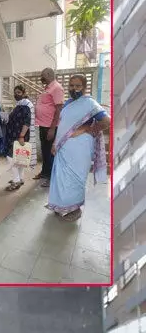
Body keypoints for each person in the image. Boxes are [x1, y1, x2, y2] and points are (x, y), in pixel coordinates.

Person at [45, 74, 110, 222]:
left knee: (75, 178)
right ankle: (60, 205)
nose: (74, 89)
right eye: (71, 86)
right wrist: (55, 143)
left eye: (78, 86)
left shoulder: (90, 104)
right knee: (61, 178)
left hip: (80, 147)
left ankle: (74, 209)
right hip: (63, 147)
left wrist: (87, 129)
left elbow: (107, 121)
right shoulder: (67, 103)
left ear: (84, 87)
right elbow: (62, 126)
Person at [34, 67, 65, 187]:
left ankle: (51, 177)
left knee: (50, 152)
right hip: (43, 125)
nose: (41, 78)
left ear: (48, 74)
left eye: (42, 75)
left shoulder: (57, 88)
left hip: (50, 126)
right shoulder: (48, 87)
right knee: (44, 151)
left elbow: (58, 109)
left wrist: (52, 129)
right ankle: (45, 172)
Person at [4, 85, 34, 192]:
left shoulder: (25, 105)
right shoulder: (20, 104)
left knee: (11, 159)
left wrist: (21, 136)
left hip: (18, 136)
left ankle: (16, 181)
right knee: (19, 158)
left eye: (19, 93)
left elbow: (27, 122)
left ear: (24, 92)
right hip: (14, 135)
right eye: (15, 92)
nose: (16, 94)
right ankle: (20, 179)